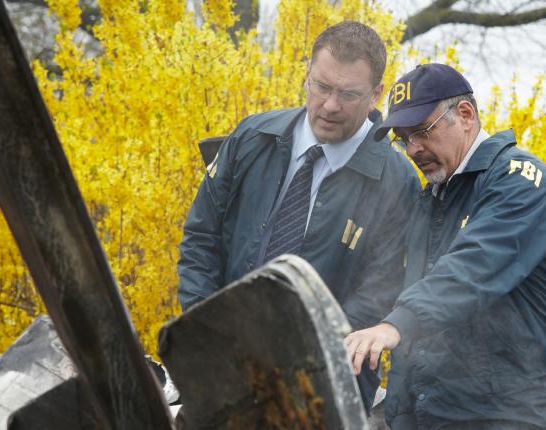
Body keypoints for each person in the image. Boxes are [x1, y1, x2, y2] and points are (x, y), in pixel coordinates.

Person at [177, 21, 420, 409]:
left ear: (376, 95)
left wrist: (292, 356)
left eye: (348, 94)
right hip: (223, 362)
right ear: (307, 75)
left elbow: (379, 294)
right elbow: (201, 240)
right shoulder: (251, 137)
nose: (330, 105)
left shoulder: (396, 180)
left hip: (325, 386)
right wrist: (206, 330)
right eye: (322, 87)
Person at [344, 63, 546, 429]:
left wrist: (396, 325)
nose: (412, 149)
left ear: (465, 115)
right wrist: (400, 413)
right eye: (403, 138)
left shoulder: (520, 182)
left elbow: (472, 269)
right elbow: (415, 300)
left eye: (422, 132)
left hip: (526, 414)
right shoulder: (431, 201)